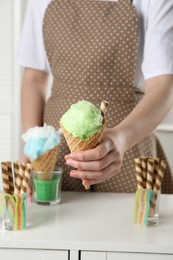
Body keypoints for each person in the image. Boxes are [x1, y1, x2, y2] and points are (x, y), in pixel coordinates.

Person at [16, 0, 173, 196]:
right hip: (55, 150)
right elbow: (34, 78)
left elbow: (163, 84)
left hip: (129, 145)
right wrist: (35, 144)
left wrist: (121, 139)